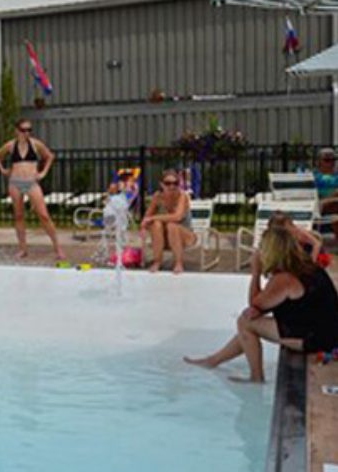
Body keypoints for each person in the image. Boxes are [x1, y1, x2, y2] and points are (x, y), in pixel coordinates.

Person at [184, 224, 338, 383]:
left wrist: (256, 272)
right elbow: (265, 305)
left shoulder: (284, 279)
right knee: (250, 326)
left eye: (262, 248)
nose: (259, 252)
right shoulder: (303, 265)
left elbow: (254, 305)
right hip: (324, 330)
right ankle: (213, 361)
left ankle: (256, 377)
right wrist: (259, 310)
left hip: (317, 338)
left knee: (245, 322)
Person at [0, 119, 65, 261]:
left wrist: (43, 172)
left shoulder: (35, 144)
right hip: (15, 183)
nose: (27, 133)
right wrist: (3, 170)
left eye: (29, 130)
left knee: (44, 215)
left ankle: (58, 248)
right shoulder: (11, 146)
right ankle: (23, 249)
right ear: (17, 131)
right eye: (23, 130)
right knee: (19, 216)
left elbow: (49, 156)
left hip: (31, 183)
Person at [141, 170, 195, 274]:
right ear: (161, 184)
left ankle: (178, 263)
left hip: (186, 236)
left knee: (171, 225)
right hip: (165, 239)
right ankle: (157, 261)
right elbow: (146, 218)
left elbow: (177, 217)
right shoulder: (157, 197)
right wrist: (145, 225)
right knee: (156, 225)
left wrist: (153, 218)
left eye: (175, 183)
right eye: (168, 183)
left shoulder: (182, 196)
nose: (172, 186)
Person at [315, 148, 338, 235]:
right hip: (320, 206)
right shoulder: (315, 177)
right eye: (327, 160)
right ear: (319, 161)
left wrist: (327, 200)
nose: (331, 163)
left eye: (333, 160)